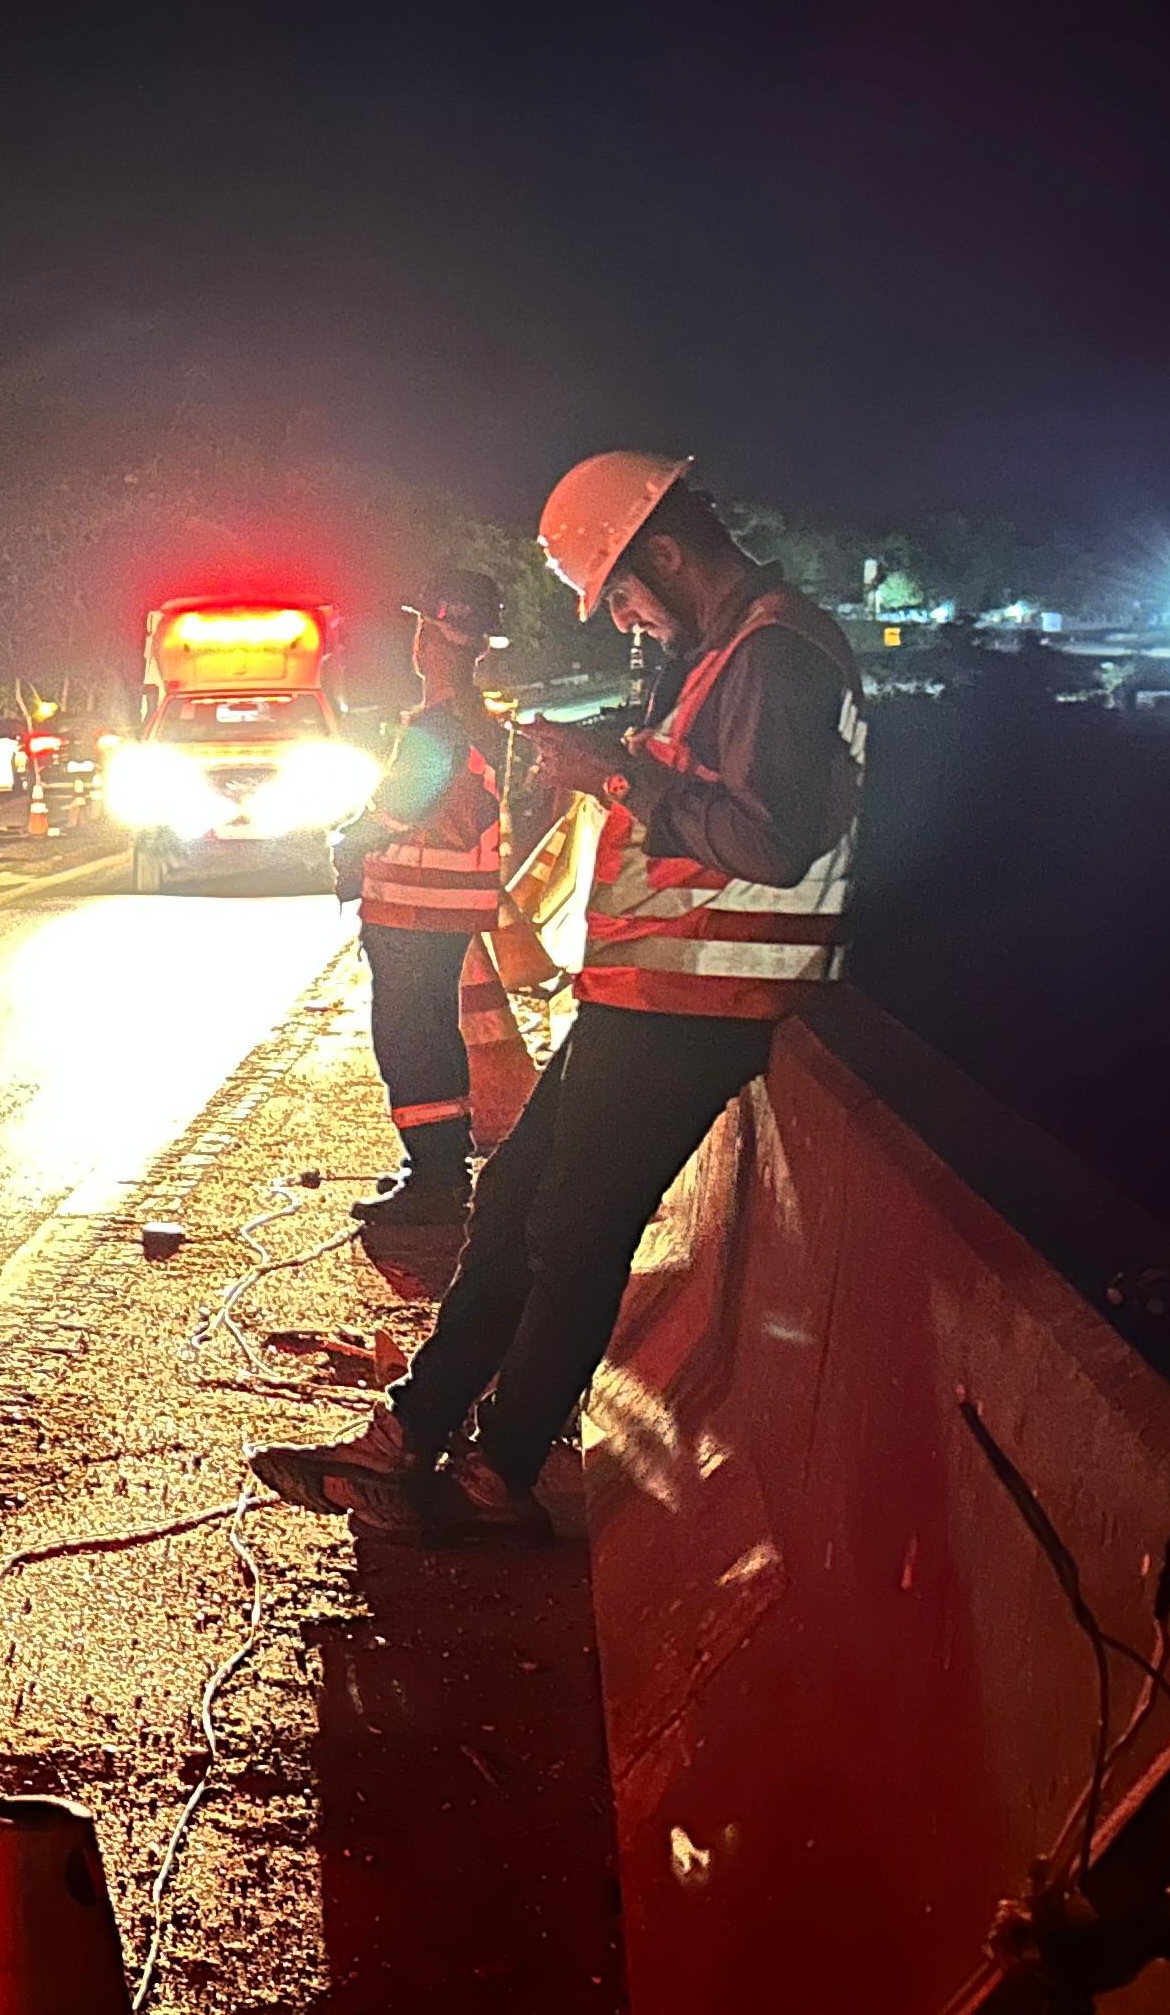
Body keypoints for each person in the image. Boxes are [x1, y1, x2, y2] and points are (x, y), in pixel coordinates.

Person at [256, 455, 861, 1545]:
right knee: (516, 1209)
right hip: (648, 993)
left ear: (666, 554)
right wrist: (615, 766)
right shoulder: (723, 652)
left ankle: (498, 1470)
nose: (625, 618)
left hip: (705, 1002)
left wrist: (615, 774)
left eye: (624, 592)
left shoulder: (775, 652)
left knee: (571, 1231)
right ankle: (416, 1433)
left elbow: (772, 837)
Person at [339, 570, 513, 1228]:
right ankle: (438, 1168)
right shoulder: (471, 717)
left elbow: (398, 804)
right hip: (441, 907)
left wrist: (348, 840)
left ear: (432, 638)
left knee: (410, 1038)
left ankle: (435, 1178)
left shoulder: (442, 723)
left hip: (418, 909)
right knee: (430, 1033)